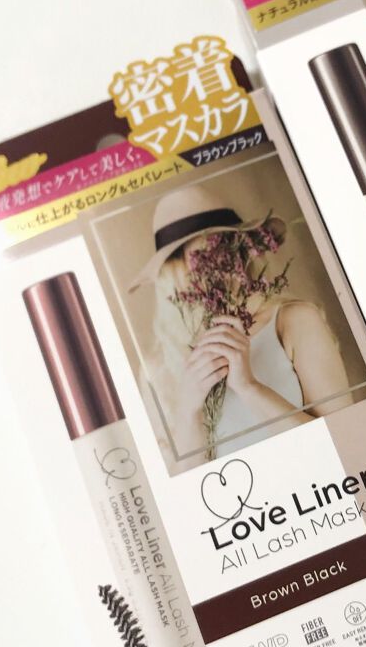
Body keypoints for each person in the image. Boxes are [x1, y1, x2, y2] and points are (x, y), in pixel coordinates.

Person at [129, 183, 351, 464]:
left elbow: (348, 442)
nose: (222, 265)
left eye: (228, 247)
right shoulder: (157, 369)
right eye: (205, 257)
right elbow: (185, 484)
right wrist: (188, 410)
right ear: (173, 270)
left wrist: (249, 387)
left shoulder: (294, 320)